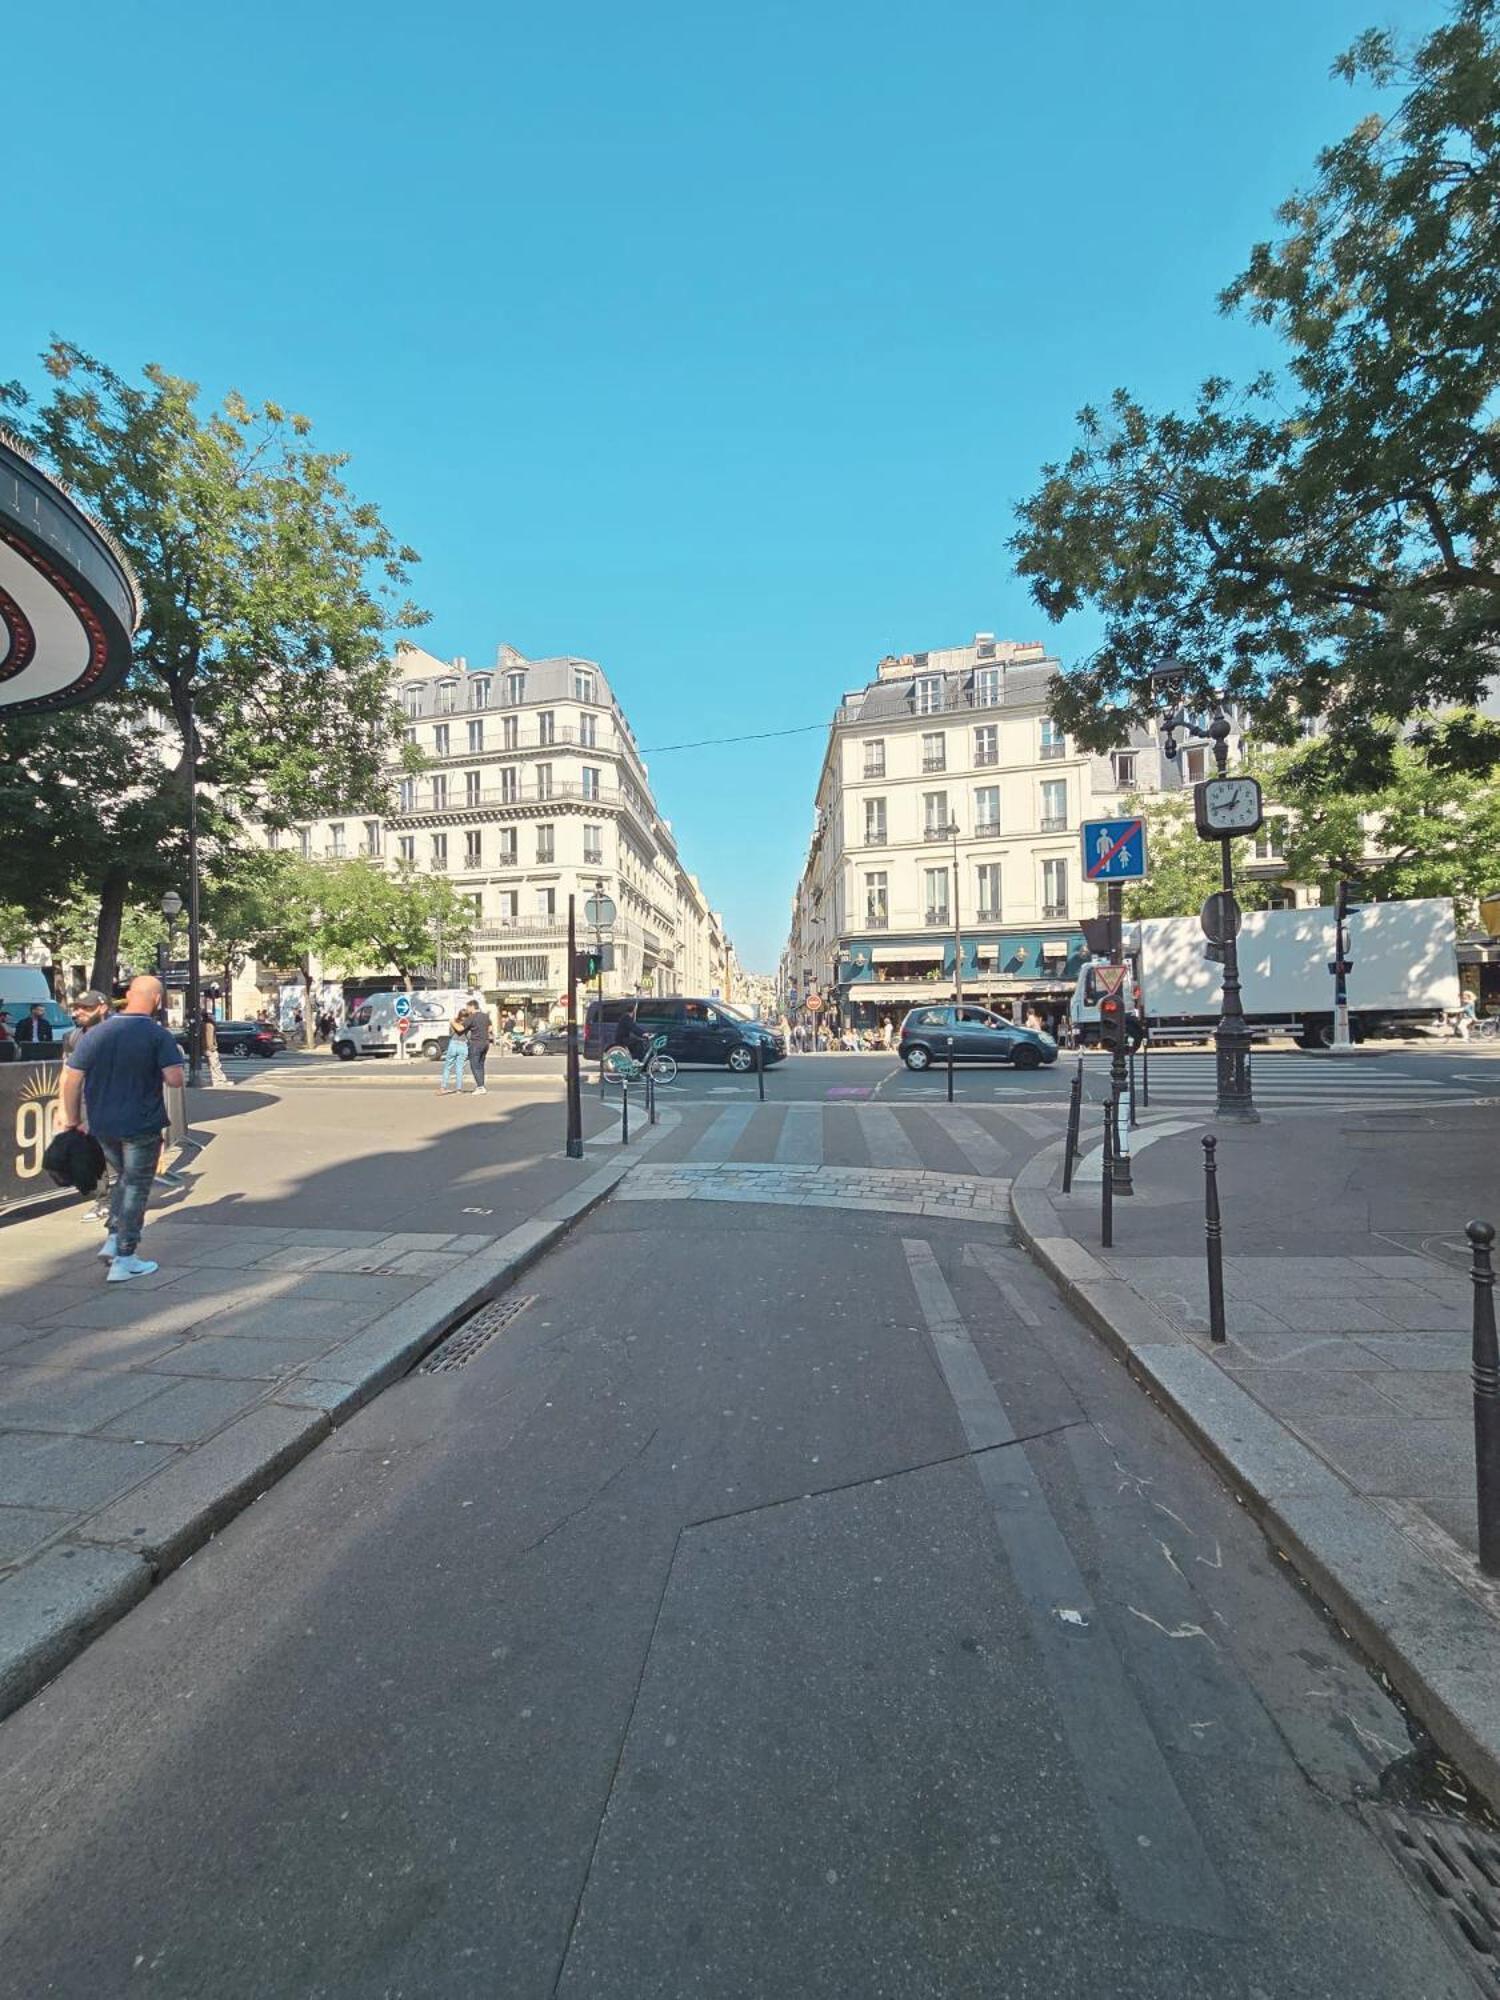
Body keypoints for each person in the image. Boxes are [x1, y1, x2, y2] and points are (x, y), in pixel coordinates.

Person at [57, 974, 185, 1282]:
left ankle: (114, 1237)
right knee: (137, 1187)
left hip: (103, 1123)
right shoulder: (157, 1035)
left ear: (128, 995)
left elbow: (71, 1077)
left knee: (123, 1181)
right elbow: (174, 1079)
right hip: (141, 1121)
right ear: (157, 1000)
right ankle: (125, 1256)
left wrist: (71, 1118)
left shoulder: (96, 1034)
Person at [440, 1003, 472, 1093]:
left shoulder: (454, 1023)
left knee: (447, 1067)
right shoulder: (468, 1024)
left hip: (453, 1044)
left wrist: (453, 1023)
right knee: (459, 1068)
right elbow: (469, 1037)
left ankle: (443, 1087)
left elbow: (450, 1034)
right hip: (463, 1045)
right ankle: (459, 1089)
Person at [465, 996, 492, 1095]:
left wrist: (453, 1022)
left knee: (474, 1065)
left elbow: (461, 1028)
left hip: (476, 1043)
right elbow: (490, 1028)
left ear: (472, 1007)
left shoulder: (471, 1017)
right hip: (485, 1042)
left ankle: (480, 1087)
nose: (467, 1010)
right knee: (481, 1065)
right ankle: (482, 1085)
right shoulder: (485, 1016)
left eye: (467, 1007)